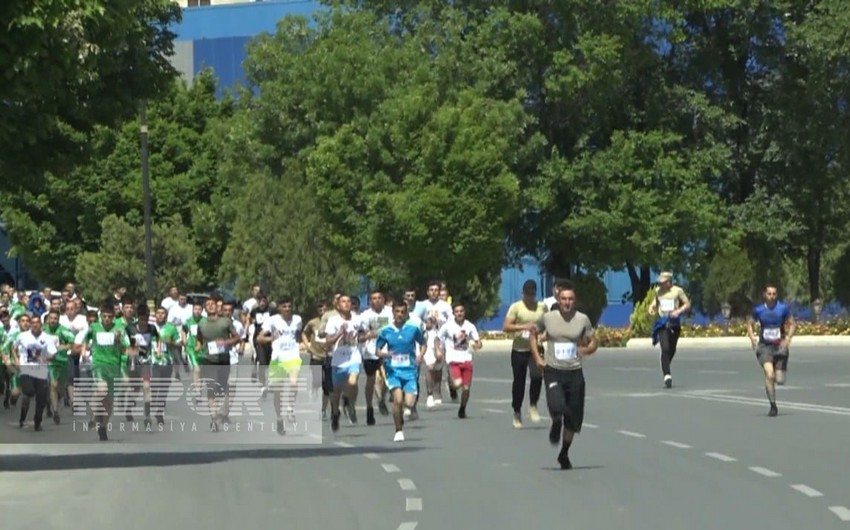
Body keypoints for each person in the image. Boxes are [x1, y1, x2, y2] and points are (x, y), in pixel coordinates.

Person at [530, 283, 597, 470]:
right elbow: (532, 335)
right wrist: (537, 357)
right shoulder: (548, 318)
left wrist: (585, 350)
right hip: (553, 370)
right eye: (564, 299)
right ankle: (555, 422)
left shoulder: (582, 319)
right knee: (556, 405)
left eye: (570, 299)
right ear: (558, 300)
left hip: (575, 372)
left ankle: (564, 453)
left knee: (573, 417)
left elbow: (593, 342)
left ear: (575, 301)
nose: (567, 302)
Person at [376, 301, 426, 442]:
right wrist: (385, 354)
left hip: (410, 371)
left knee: (409, 403)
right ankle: (398, 430)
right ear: (393, 312)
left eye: (402, 312)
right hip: (393, 371)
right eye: (397, 311)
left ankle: (401, 414)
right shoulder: (386, 330)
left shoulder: (413, 329)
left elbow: (423, 343)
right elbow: (377, 350)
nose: (400, 314)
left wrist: (420, 355)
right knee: (397, 400)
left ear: (406, 313)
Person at [503, 279, 547, 428]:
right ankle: (517, 411)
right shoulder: (516, 307)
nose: (529, 297)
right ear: (523, 293)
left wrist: (544, 334)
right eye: (527, 294)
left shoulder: (542, 307)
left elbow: (547, 324)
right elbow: (506, 326)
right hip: (520, 348)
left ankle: (533, 405)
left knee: (537, 377)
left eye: (532, 294)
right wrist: (524, 327)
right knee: (519, 381)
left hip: (537, 347)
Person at [746, 284, 796, 417]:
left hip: (780, 346)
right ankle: (773, 405)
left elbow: (792, 324)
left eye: (774, 294)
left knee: (779, 379)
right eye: (769, 294)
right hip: (765, 347)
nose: (772, 296)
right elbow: (750, 324)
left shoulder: (783, 308)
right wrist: (752, 339)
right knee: (769, 374)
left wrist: (788, 339)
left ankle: (776, 372)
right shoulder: (759, 310)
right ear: (764, 295)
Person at [436, 303, 482, 419]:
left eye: (461, 311)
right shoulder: (447, 326)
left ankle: (462, 408)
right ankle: (451, 386)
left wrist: (477, 345)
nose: (459, 313)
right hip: (453, 359)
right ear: (453, 313)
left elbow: (478, 341)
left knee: (466, 388)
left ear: (464, 312)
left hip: (466, 359)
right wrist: (438, 350)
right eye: (457, 311)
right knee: (458, 383)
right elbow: (438, 338)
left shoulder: (470, 326)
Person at [647, 272, 691, 388]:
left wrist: (678, 311)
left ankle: (665, 364)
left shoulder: (677, 291)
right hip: (663, 323)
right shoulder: (658, 291)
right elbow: (655, 302)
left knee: (671, 349)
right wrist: (651, 308)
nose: (660, 284)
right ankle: (667, 375)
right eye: (659, 282)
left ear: (668, 282)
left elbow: (687, 304)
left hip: (674, 323)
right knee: (665, 348)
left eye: (662, 282)